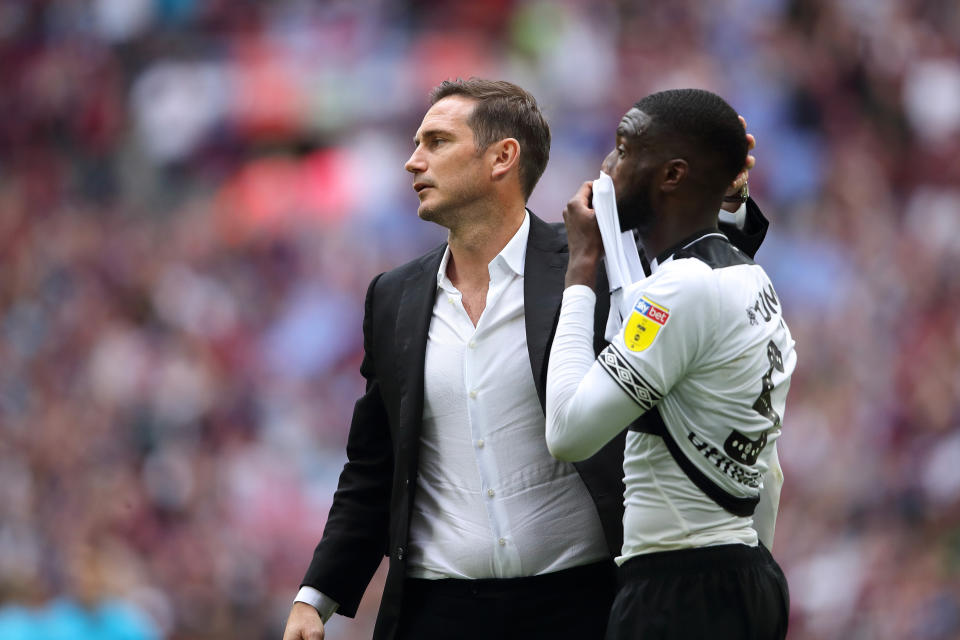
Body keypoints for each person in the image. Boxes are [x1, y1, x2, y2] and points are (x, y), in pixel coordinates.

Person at [282, 79, 767, 640]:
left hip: (582, 605)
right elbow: (374, 467)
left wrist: (725, 198)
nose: (413, 161)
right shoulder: (393, 297)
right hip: (440, 613)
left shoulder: (595, 258)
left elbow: (705, 270)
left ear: (502, 158)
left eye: (437, 141)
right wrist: (314, 598)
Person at [545, 88, 795, 640]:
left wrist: (582, 274)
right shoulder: (746, 277)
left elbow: (567, 432)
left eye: (622, 148)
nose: (606, 167)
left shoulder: (677, 293)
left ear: (673, 175)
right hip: (745, 575)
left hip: (679, 591)